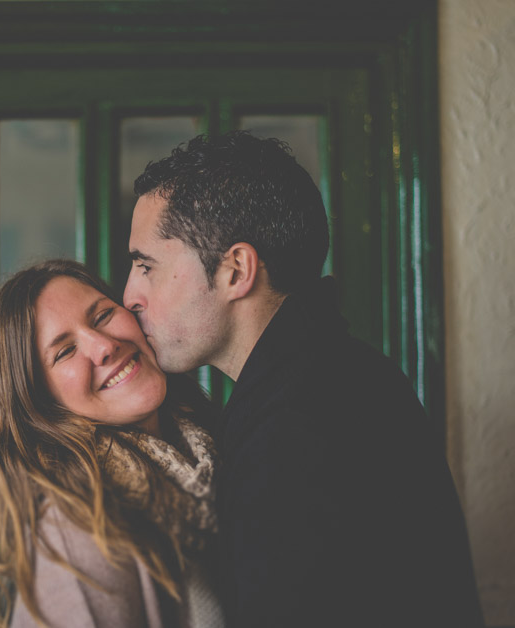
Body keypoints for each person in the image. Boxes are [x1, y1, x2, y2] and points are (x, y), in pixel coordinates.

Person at [123, 131, 484, 627]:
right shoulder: (338, 376)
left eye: (146, 266)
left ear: (235, 271)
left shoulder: (296, 427)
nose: (130, 296)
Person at [0, 259, 225, 628]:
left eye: (102, 315)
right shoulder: (75, 536)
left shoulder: (220, 451)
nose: (104, 346)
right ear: (41, 405)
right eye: (64, 351)